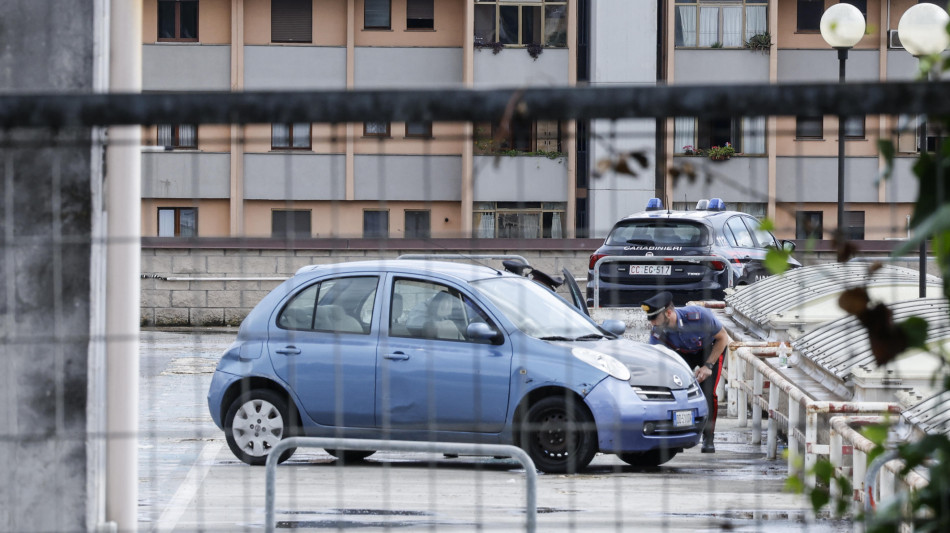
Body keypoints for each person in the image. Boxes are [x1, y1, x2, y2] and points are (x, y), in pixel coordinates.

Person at [641, 291, 731, 453]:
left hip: (709, 350)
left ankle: (708, 437)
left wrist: (708, 366)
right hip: (682, 354)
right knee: (676, 393)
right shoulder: (657, 331)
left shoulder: (699, 317)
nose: (652, 323)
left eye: (655, 318)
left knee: (708, 393)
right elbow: (655, 358)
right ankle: (678, 437)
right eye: (650, 319)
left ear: (669, 313)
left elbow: (723, 338)